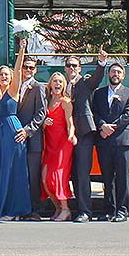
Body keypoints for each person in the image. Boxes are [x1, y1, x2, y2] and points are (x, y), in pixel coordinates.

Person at [92, 62, 129, 222]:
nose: (115, 74)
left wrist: (113, 128)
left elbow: (128, 115)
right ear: (108, 74)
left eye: (118, 72)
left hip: (122, 141)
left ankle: (122, 211)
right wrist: (102, 126)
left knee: (122, 178)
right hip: (103, 141)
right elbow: (94, 113)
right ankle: (108, 210)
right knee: (107, 178)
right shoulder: (99, 93)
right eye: (112, 72)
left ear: (123, 75)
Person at [0, 42, 31, 220]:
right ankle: (2, 207)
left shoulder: (14, 90)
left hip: (11, 130)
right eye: (1, 74)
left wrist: (21, 50)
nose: (4, 77)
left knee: (12, 170)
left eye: (6, 74)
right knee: (1, 169)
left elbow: (18, 71)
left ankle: (13, 210)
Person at [68, 48, 108, 224]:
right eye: (68, 65)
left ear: (80, 68)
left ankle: (86, 211)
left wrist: (101, 63)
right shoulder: (63, 85)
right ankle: (77, 208)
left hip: (84, 132)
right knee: (73, 174)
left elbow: (96, 79)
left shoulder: (85, 82)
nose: (71, 68)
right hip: (66, 135)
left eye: (74, 65)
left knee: (83, 174)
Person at [15, 50, 48, 219]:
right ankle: (22, 207)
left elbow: (41, 113)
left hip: (32, 139)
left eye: (31, 68)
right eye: (25, 67)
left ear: (35, 70)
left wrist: (27, 131)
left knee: (33, 175)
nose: (28, 70)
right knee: (20, 175)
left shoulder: (39, 87)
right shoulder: (15, 86)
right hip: (16, 139)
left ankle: (35, 209)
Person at [41, 70, 77, 221]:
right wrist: (44, 123)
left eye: (60, 82)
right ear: (50, 84)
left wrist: (71, 134)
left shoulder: (65, 102)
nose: (58, 84)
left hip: (63, 143)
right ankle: (58, 207)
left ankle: (65, 208)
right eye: (55, 81)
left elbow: (70, 122)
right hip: (50, 144)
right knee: (45, 178)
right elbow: (41, 122)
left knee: (59, 175)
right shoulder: (46, 101)